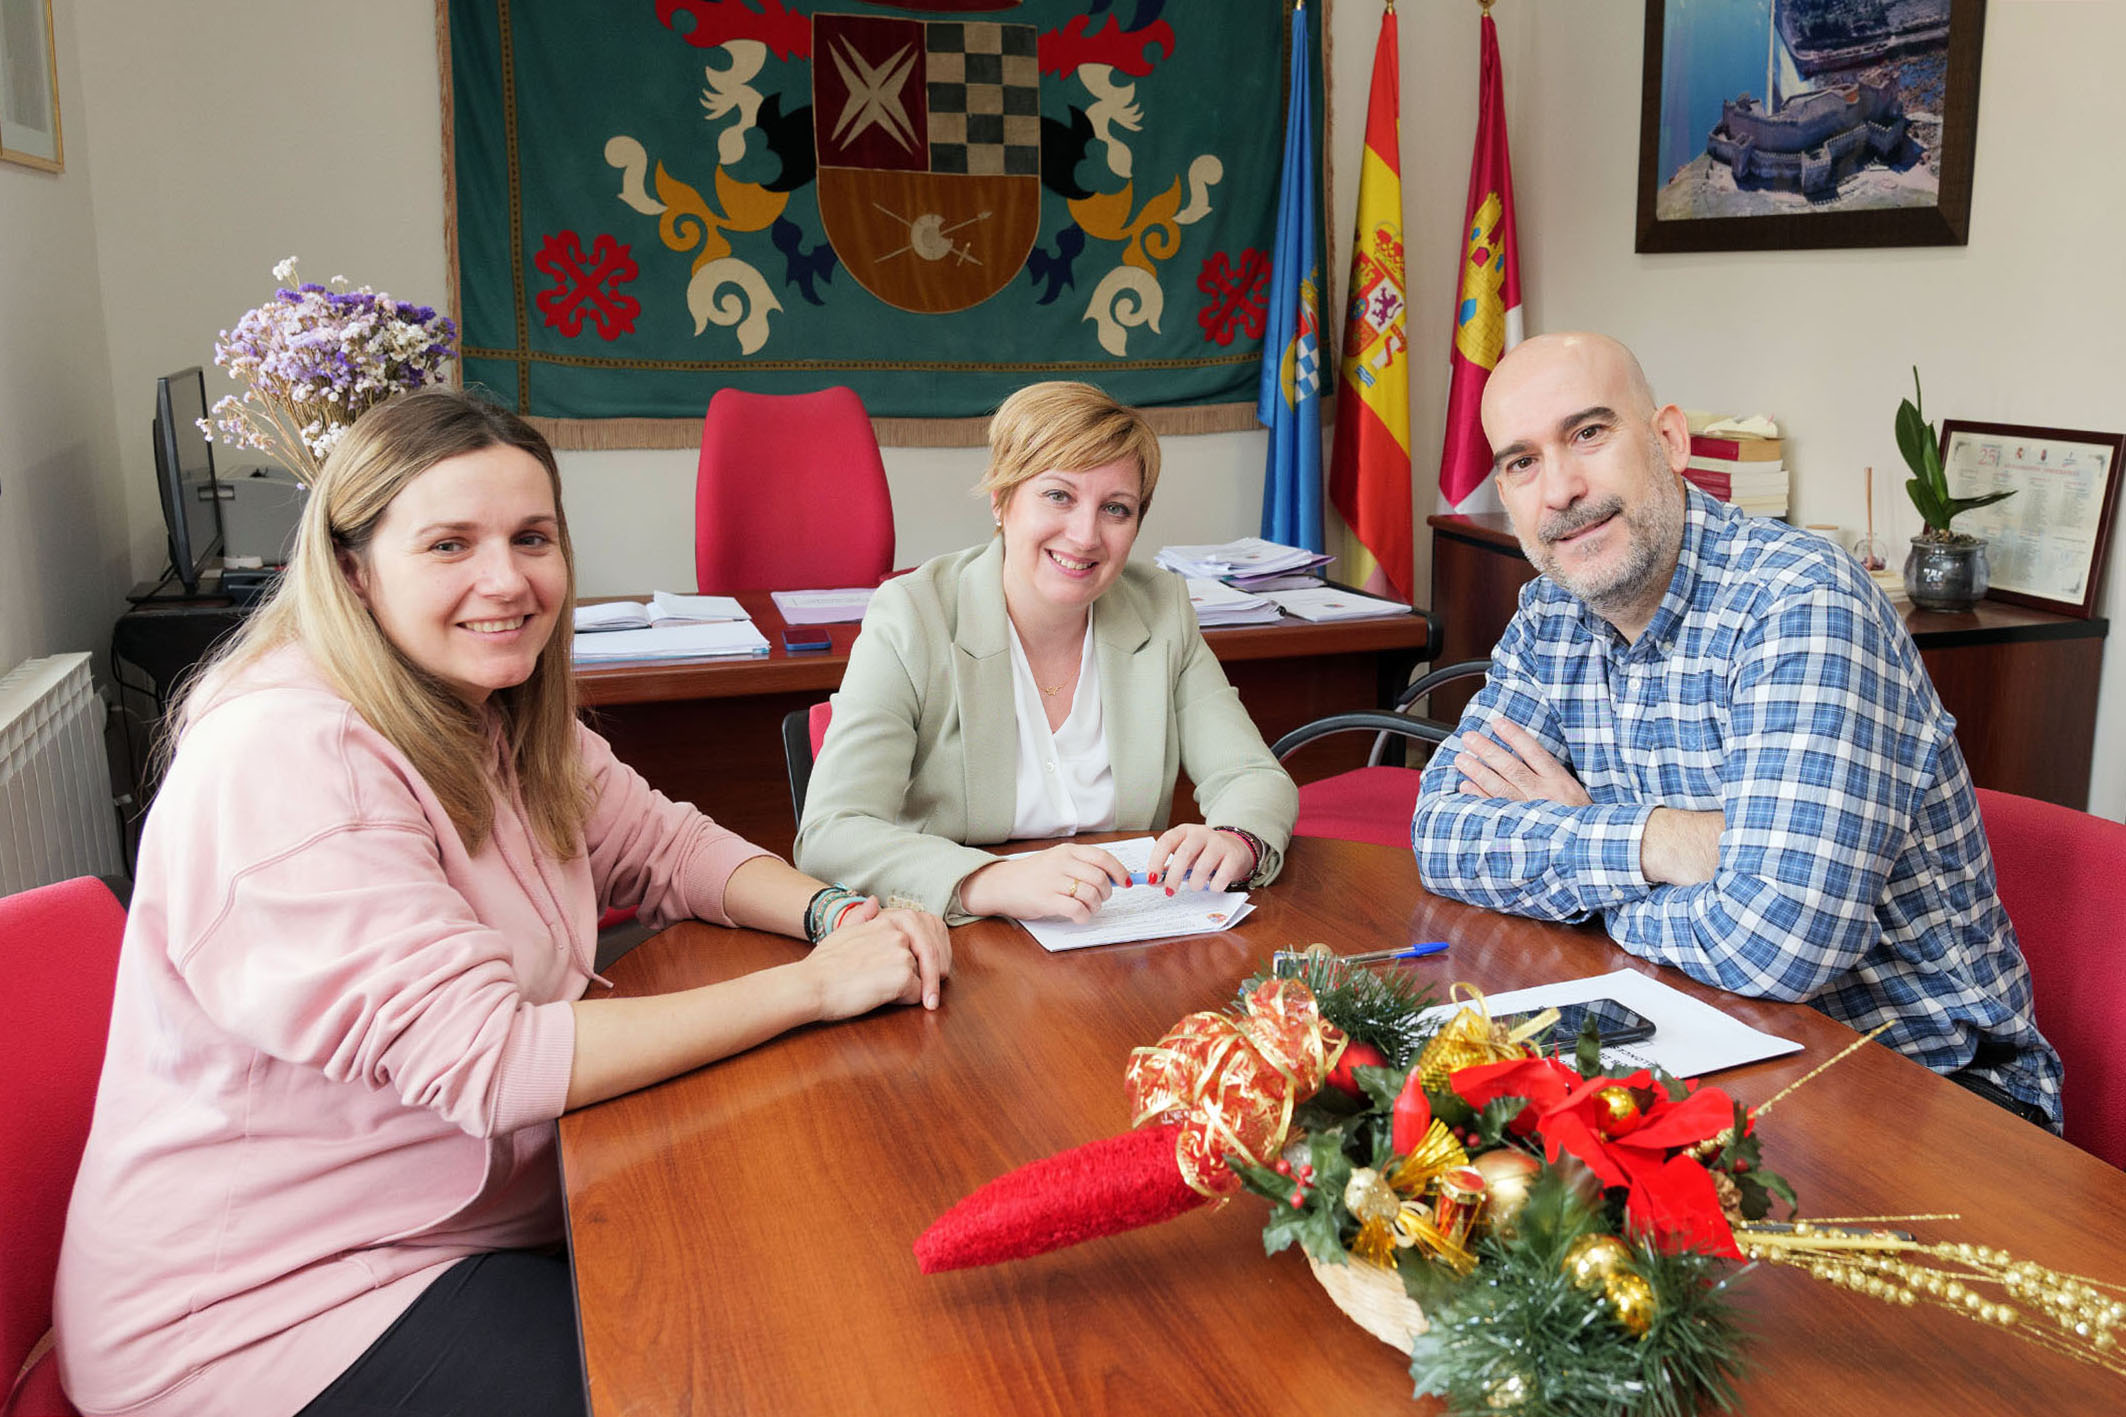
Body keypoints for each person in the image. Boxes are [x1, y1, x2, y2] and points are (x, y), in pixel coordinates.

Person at [54, 391, 952, 1417]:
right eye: (449, 544)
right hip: (272, 1309)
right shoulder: (288, 755)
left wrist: (835, 914)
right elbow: (488, 1060)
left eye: (533, 538)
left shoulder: (489, 699)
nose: (507, 579)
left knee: (807, 1278)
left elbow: (665, 844)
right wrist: (813, 990)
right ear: (354, 570)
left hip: (457, 1221)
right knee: (730, 1374)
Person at [1410, 332, 2061, 1127]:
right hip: (1701, 1036)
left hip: (1934, 1096)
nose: (1561, 489)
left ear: (1670, 441)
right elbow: (1442, 832)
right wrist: (1658, 844)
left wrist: (1581, 864)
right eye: (1521, 462)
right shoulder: (1555, 612)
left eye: (1588, 433)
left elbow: (1780, 940)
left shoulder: (1798, 603)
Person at [795, 380, 1298, 925]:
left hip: (1123, 933)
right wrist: (986, 880)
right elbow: (832, 832)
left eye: (1116, 509)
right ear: (1001, 499)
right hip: (962, 936)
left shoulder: (1161, 607)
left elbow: (1251, 776)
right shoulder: (914, 616)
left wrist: (1237, 838)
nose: (1085, 536)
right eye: (1058, 496)